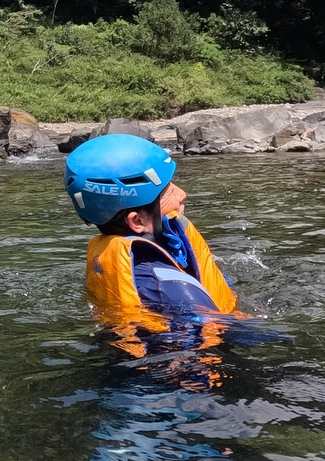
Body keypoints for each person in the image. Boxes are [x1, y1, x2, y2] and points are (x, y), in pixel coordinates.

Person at [64, 133, 236, 332]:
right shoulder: (168, 288)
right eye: (169, 192)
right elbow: (223, 331)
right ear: (137, 221)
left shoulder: (110, 254)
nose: (182, 194)